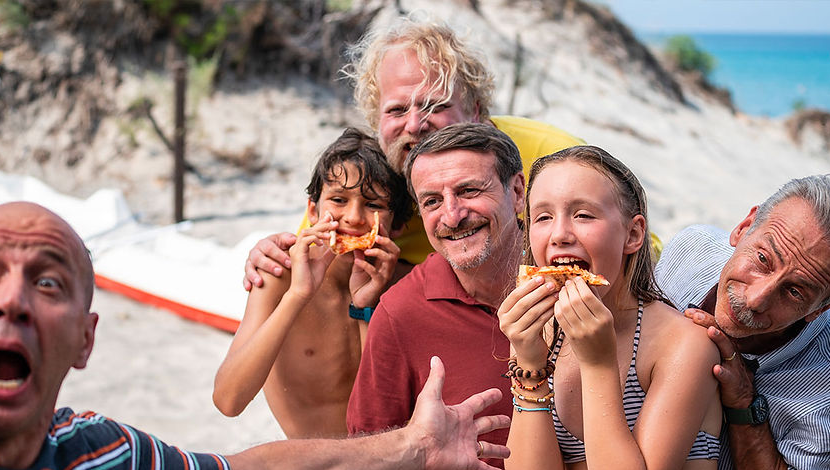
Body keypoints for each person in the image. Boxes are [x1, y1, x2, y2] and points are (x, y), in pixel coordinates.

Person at [0, 201, 512, 470]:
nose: (12, 302)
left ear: (85, 339)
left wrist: (418, 446)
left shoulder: (104, 467)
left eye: (48, 283)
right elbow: (230, 397)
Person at [346, 123, 568, 470]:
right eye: (432, 201)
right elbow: (366, 456)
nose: (452, 215)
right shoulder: (402, 311)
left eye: (468, 191)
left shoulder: (572, 275)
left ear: (518, 192)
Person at [498, 145, 732, 470]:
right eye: (543, 217)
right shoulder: (543, 338)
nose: (560, 234)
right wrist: (530, 363)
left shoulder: (683, 344)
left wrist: (598, 364)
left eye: (583, 214)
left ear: (634, 233)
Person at [211, 128, 432, 470]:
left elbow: (381, 414)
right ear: (312, 210)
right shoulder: (277, 280)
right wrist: (298, 295)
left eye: (373, 205)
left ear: (398, 224)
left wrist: (368, 303)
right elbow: (228, 399)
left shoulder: (405, 285)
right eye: (338, 200)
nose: (352, 217)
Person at [243, 18, 585, 286]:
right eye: (395, 111)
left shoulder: (553, 157)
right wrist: (269, 256)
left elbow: (629, 249)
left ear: (476, 111)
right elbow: (316, 263)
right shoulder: (366, 182)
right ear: (376, 122)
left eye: (434, 105)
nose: (414, 124)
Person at [653, 174, 830, 470]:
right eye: (762, 259)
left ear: (821, 308)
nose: (758, 298)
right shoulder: (688, 253)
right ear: (744, 227)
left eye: (795, 292)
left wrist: (743, 401)